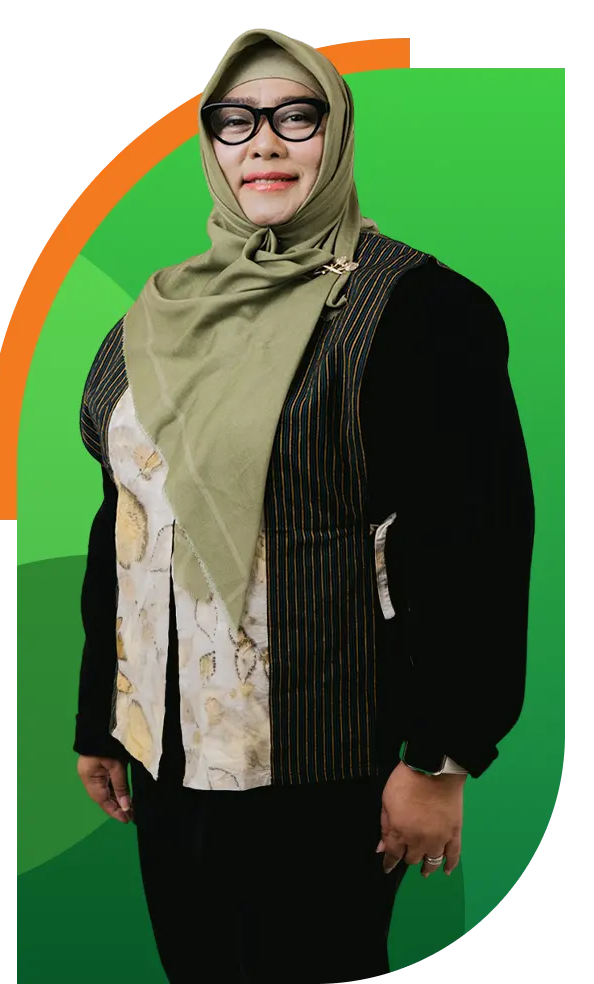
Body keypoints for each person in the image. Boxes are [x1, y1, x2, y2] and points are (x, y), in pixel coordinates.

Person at [73, 28, 535, 984]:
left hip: (327, 760)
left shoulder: (419, 311)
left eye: (297, 116)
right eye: (235, 122)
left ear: (338, 133)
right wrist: (100, 719)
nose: (265, 144)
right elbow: (122, 525)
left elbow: (477, 539)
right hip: (167, 755)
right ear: (211, 144)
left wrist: (441, 758)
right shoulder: (154, 318)